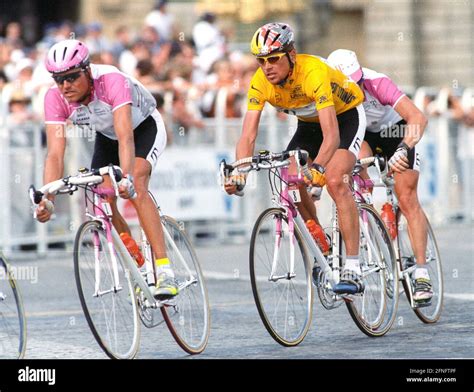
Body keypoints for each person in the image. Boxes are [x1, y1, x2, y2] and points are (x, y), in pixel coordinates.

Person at [224, 23, 367, 294]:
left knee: (336, 181)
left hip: (344, 116)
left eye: (274, 58)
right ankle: (320, 242)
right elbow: (248, 136)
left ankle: (353, 266)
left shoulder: (312, 72)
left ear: (291, 54)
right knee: (292, 180)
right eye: (262, 60)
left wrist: (319, 169)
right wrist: (240, 172)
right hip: (307, 122)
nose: (267, 66)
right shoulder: (260, 82)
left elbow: (332, 136)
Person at [35, 39, 178, 299]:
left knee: (136, 187)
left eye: (71, 77)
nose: (65, 86)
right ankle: (140, 266)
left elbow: (126, 136)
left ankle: (165, 269)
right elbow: (55, 153)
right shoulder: (55, 99)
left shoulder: (111, 80)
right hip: (107, 137)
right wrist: (49, 198)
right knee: (101, 199)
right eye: (58, 80)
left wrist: (127, 179)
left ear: (87, 70)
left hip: (143, 129)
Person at [327, 49, 432, 304]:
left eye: (358, 81)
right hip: (362, 134)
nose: (358, 89)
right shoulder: (326, 92)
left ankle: (421, 272)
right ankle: (368, 226)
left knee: (406, 196)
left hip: (396, 131)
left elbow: (417, 117)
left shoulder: (376, 82)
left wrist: (404, 148)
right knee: (353, 177)